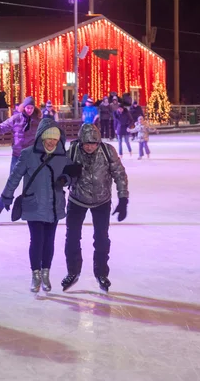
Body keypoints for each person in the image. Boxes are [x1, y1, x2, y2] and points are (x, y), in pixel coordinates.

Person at [0, 119, 80, 293]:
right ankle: (35, 274)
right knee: (37, 240)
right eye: (48, 138)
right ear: (41, 137)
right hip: (34, 204)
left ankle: (45, 273)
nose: (51, 142)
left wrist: (66, 179)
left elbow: (74, 174)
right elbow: (15, 176)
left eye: (55, 139)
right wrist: (6, 195)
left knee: (49, 241)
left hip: (54, 206)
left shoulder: (62, 156)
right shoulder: (28, 154)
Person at [62, 123, 129, 292]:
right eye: (86, 143)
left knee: (101, 239)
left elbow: (119, 174)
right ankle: (73, 271)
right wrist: (67, 174)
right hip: (77, 200)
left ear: (99, 142)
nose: (90, 146)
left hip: (102, 201)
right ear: (80, 142)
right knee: (72, 237)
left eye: (93, 143)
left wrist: (123, 198)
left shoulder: (108, 151)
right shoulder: (73, 151)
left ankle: (101, 273)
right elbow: (60, 174)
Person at [0, 96, 43, 218]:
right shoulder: (16, 119)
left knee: (32, 184)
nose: (29, 110)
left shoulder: (38, 121)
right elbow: (1, 127)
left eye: (31, 107)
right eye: (27, 107)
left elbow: (47, 133)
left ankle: (31, 209)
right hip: (17, 156)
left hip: (32, 156)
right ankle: (1, 205)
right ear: (23, 107)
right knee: (12, 182)